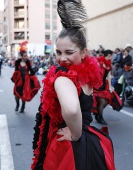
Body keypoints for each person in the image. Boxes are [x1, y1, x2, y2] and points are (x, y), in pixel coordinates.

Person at [31, 1, 115, 170]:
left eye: (69, 52)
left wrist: (75, 134)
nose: (62, 58)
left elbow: (71, 109)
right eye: (58, 52)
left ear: (84, 52)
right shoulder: (86, 75)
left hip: (68, 147)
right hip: (89, 142)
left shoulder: (63, 77)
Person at [11, 41, 41, 113]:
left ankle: (23, 107)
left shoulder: (28, 63)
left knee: (24, 94)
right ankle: (17, 105)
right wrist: (14, 78)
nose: (26, 57)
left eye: (26, 56)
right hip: (19, 81)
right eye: (25, 56)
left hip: (26, 81)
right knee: (16, 94)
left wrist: (34, 76)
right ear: (21, 56)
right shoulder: (17, 62)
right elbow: (16, 71)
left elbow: (31, 71)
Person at [92, 50, 114, 125]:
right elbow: (94, 73)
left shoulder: (109, 64)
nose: (112, 57)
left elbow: (109, 76)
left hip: (104, 84)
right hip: (97, 85)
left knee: (107, 101)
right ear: (109, 55)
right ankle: (100, 117)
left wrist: (110, 86)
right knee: (102, 102)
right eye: (111, 55)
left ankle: (97, 113)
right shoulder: (99, 62)